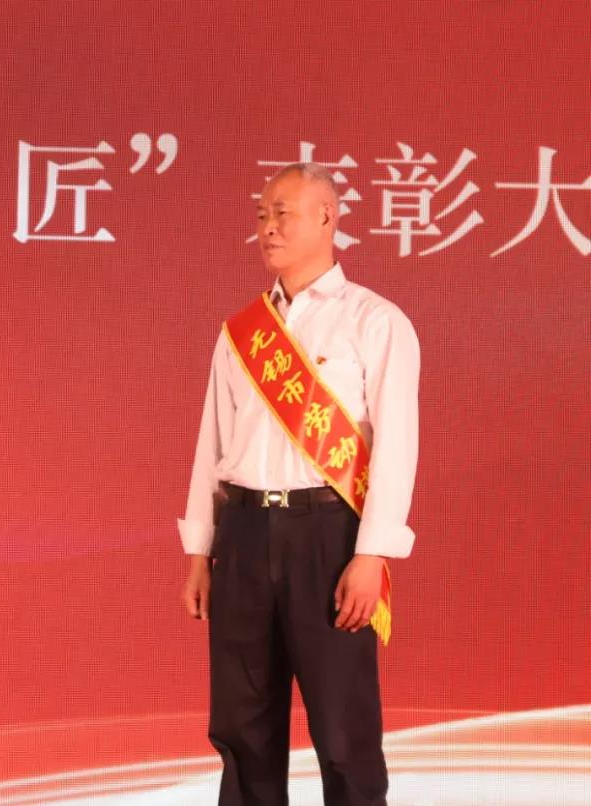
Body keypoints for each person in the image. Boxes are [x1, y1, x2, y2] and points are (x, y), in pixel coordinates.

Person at [179, 163, 419, 806]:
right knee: (242, 728)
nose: (268, 228)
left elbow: (397, 446)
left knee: (342, 732)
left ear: (327, 217)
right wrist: (199, 552)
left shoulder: (375, 321)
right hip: (245, 533)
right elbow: (212, 447)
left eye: (282, 213)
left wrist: (372, 555)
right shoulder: (241, 333)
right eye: (261, 216)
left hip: (328, 537)